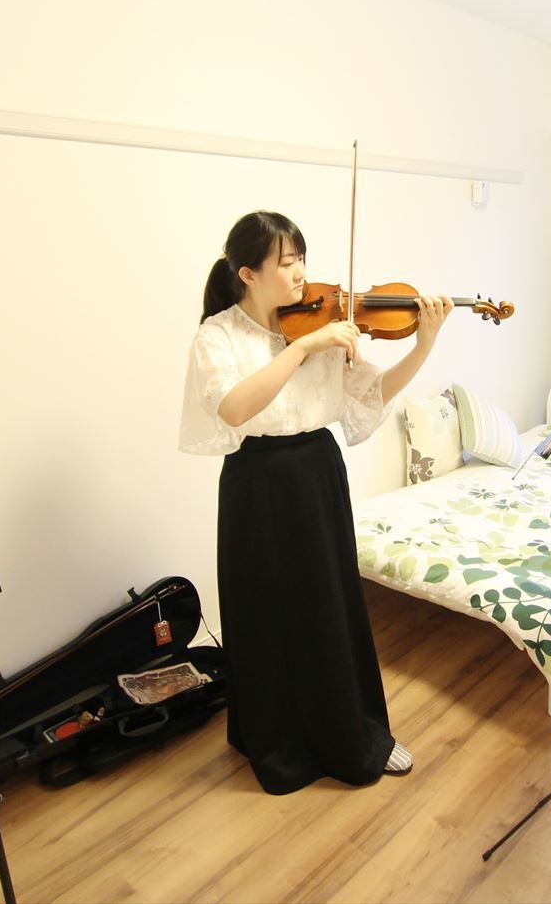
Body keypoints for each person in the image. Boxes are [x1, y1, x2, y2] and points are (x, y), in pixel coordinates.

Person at [179, 210, 453, 795]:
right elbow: (234, 408)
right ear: (248, 274)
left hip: (316, 474)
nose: (302, 273)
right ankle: (273, 738)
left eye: (302, 258)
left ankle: (356, 735)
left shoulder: (323, 324)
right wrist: (303, 348)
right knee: (266, 612)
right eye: (287, 263)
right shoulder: (219, 335)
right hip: (257, 483)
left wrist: (423, 345)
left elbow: (372, 393)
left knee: (331, 606)